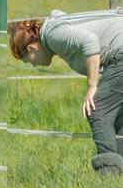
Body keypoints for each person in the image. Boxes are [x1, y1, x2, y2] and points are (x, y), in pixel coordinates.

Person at [9, 9, 123, 175]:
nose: (33, 65)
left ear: (32, 48)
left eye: (28, 61)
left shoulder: (54, 34)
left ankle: (110, 173)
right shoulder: (54, 31)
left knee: (98, 110)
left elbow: (90, 42)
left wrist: (92, 87)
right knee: (118, 116)